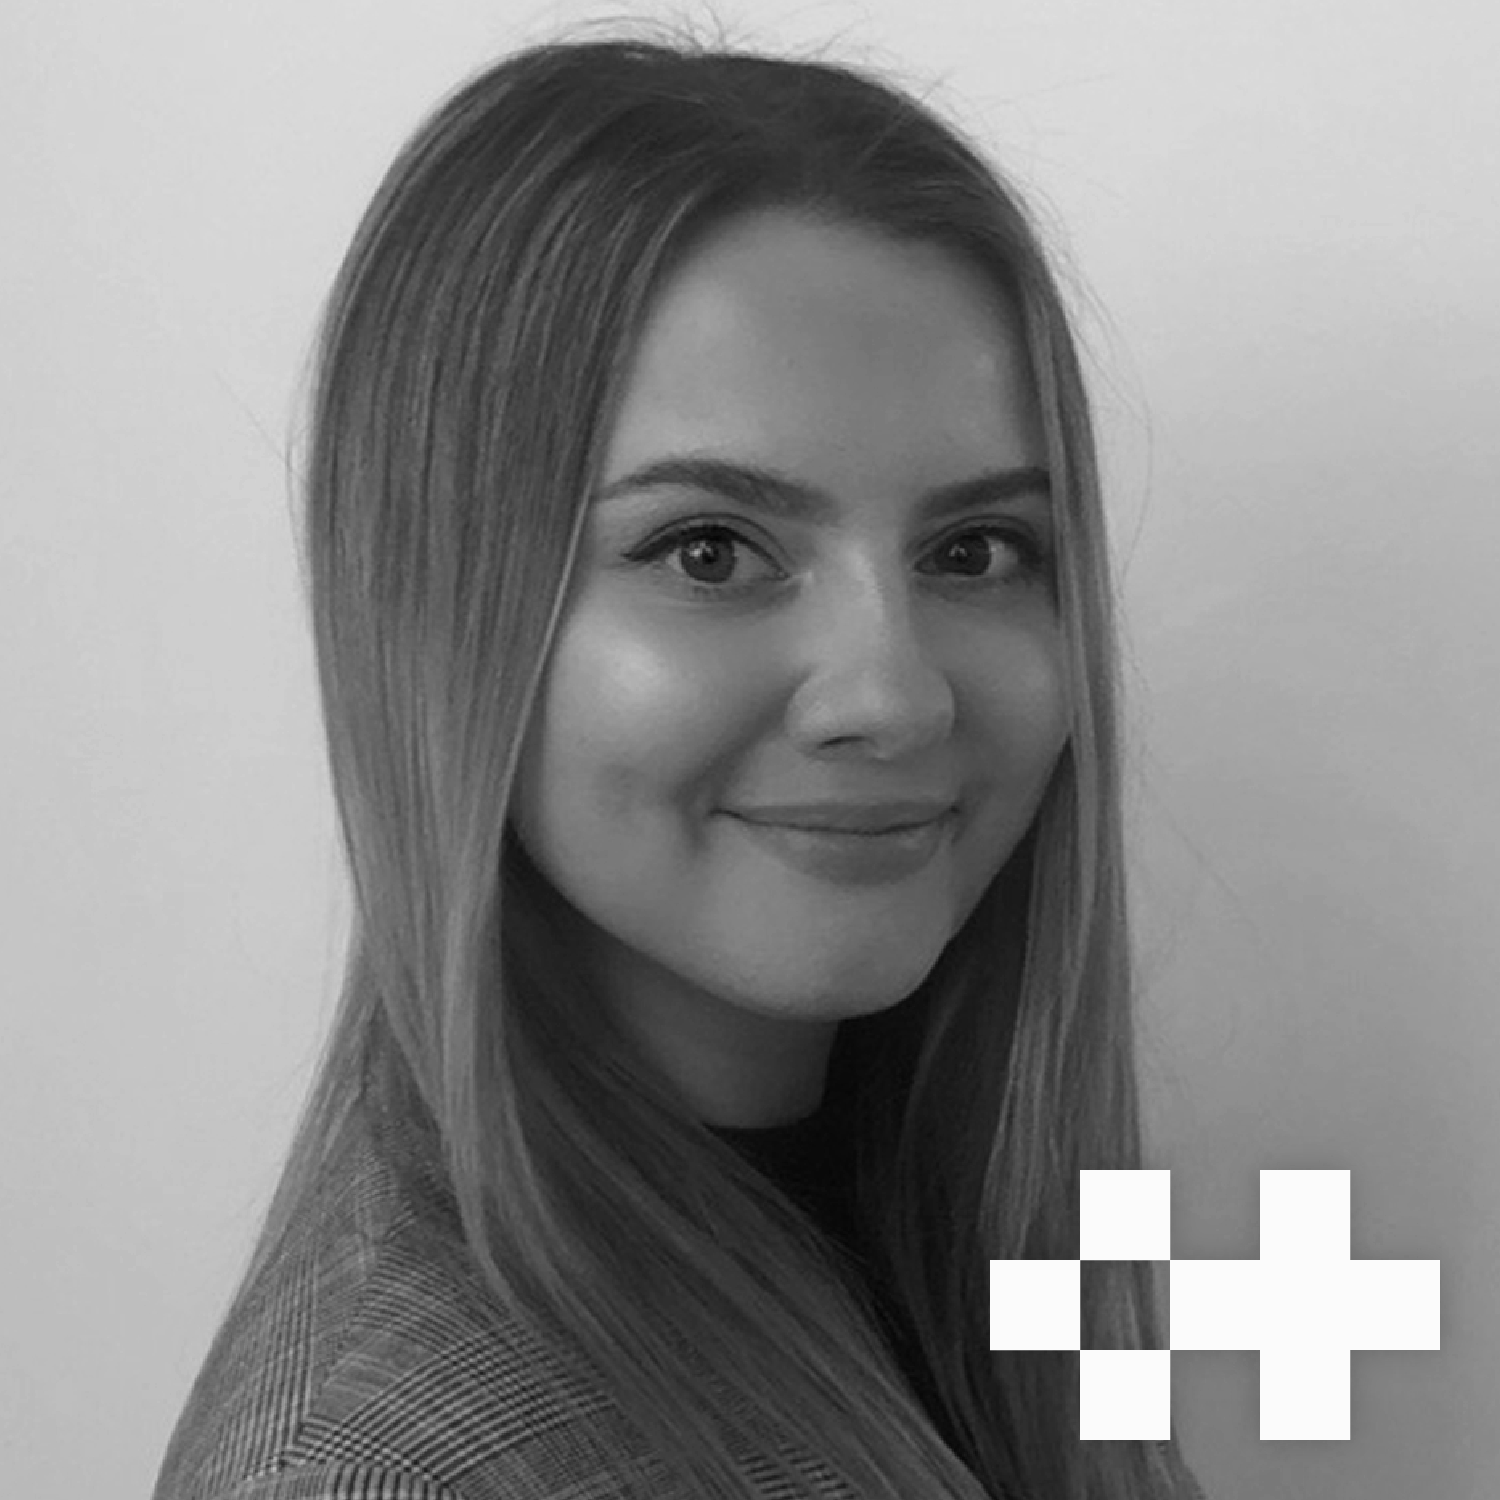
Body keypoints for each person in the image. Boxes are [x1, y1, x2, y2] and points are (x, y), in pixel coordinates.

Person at [152, 19, 1206, 1500]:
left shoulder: (965, 1246)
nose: (893, 695)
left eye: (976, 550)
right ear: (437, 617)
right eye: (710, 550)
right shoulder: (398, 1469)